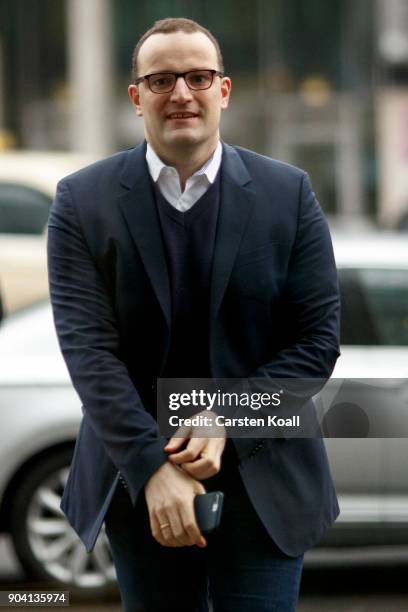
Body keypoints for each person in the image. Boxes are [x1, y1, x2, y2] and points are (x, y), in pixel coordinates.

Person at [47, 17, 340, 612]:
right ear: (136, 98)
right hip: (139, 481)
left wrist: (224, 415)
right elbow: (90, 355)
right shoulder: (82, 201)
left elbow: (317, 344)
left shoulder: (290, 194)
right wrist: (154, 468)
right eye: (161, 80)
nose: (181, 93)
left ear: (223, 91)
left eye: (198, 77)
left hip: (266, 477)